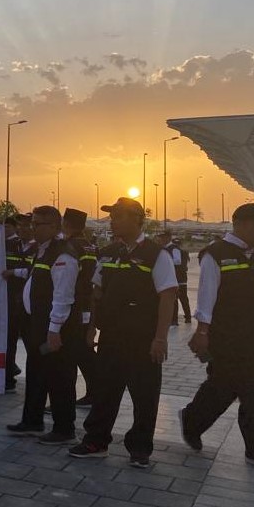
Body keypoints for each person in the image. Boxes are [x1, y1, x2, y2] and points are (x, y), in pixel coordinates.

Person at [179, 204, 254, 472]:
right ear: (239, 224)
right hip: (226, 337)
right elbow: (206, 294)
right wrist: (202, 331)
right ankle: (191, 420)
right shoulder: (215, 255)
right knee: (222, 388)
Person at [69, 197, 177, 469]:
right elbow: (97, 294)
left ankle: (140, 449)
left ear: (137, 219)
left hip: (143, 338)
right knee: (105, 390)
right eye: (112, 215)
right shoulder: (107, 253)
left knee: (144, 395)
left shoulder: (156, 255)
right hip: (112, 337)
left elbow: (168, 296)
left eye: (118, 216)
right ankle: (96, 441)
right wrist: (92, 328)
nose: (112, 220)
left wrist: (160, 338)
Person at [4, 206, 79, 444]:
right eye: (32, 223)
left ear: (55, 227)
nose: (32, 228)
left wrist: (54, 330)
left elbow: (63, 296)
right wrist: (14, 273)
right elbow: (35, 277)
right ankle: (32, 420)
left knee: (59, 377)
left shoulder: (63, 255)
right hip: (37, 324)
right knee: (37, 373)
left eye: (39, 224)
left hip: (53, 328)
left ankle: (64, 429)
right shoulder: (44, 251)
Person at [63, 208, 98, 408]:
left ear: (66, 224)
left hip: (75, 304)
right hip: (87, 304)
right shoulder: (90, 246)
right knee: (82, 350)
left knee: (77, 352)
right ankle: (95, 391)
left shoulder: (71, 246)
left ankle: (93, 391)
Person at [2, 216, 27, 393]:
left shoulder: (23, 246)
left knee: (13, 339)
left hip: (18, 300)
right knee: (7, 339)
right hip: (5, 299)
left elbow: (30, 270)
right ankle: (8, 371)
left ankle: (9, 376)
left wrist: (13, 272)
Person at [161, 231, 191, 324]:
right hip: (172, 278)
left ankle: (186, 317)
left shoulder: (174, 249)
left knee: (182, 298)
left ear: (168, 237)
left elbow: (177, 262)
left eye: (163, 237)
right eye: (161, 237)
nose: (161, 239)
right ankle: (174, 319)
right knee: (173, 298)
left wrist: (166, 263)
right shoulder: (165, 249)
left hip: (179, 278)